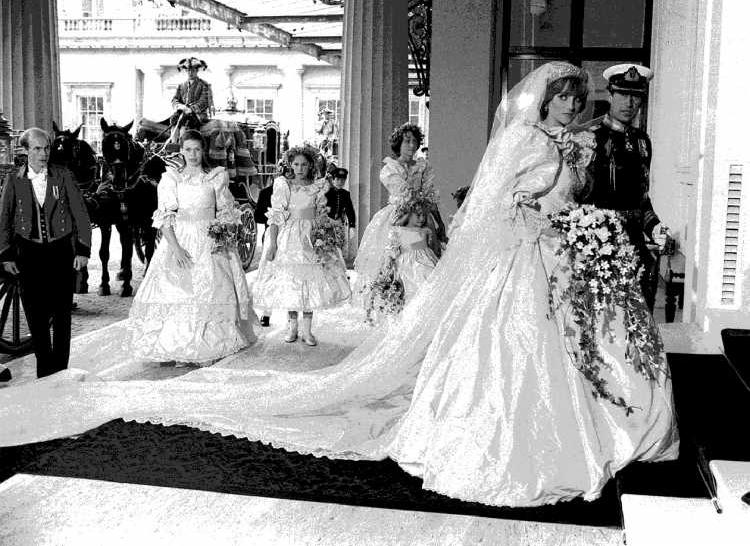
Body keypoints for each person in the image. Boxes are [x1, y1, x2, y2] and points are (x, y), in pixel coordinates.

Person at [0, 63, 678, 511]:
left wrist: (579, 211)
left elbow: (570, 194)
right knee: (508, 351)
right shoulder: (524, 141)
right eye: (563, 100)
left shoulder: (582, 144)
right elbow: (499, 204)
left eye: (575, 103)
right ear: (545, 101)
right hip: (518, 261)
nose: (569, 109)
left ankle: (597, 421)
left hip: (555, 257)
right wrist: (535, 210)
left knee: (572, 347)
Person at [128, 129, 255, 364]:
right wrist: (176, 249)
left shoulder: (216, 176)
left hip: (210, 238)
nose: (193, 154)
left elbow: (226, 212)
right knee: (177, 290)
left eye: (197, 149)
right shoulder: (172, 178)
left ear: (203, 150)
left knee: (211, 289)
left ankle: (206, 344)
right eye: (188, 149)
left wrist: (222, 236)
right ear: (182, 151)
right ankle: (175, 345)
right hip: (182, 238)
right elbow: (165, 217)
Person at [0, 127, 91, 378]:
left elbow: (81, 215)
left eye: (46, 148)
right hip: (27, 255)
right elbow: (3, 220)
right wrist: (6, 255)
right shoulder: (14, 179)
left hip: (60, 253)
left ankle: (61, 371)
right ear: (25, 151)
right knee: (36, 315)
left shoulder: (62, 176)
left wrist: (82, 250)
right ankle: (44, 372)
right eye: (37, 149)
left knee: (62, 315)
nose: (43, 153)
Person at [581, 64, 669, 310]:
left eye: (636, 96)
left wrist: (655, 227)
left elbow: (642, 199)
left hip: (635, 244)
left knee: (639, 318)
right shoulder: (591, 137)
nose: (629, 103)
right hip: (601, 243)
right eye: (622, 94)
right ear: (610, 94)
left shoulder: (643, 142)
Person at [253, 146, 351, 346]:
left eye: (304, 164)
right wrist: (271, 245)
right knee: (292, 280)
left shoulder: (317, 186)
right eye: (296, 164)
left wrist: (325, 236)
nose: (299, 168)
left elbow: (323, 213)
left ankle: (307, 330)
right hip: (290, 236)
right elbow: (276, 217)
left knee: (309, 281)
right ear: (290, 165)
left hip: (311, 236)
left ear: (310, 166)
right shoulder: (284, 185)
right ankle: (292, 326)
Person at [353, 123, 445, 306]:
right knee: (393, 256)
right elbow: (403, 192)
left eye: (415, 141)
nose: (412, 145)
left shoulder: (423, 166)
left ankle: (422, 302)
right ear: (398, 144)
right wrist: (418, 200)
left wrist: (438, 220)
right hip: (399, 215)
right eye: (407, 141)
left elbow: (429, 193)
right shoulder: (390, 168)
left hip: (421, 214)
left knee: (426, 255)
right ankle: (393, 298)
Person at [253, 163, 295, 327]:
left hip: (290, 236)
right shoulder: (266, 193)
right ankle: (266, 312)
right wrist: (275, 220)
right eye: (289, 171)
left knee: (288, 274)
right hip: (272, 234)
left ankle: (289, 313)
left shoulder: (297, 192)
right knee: (269, 273)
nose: (291, 175)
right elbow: (258, 217)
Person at [389, 198, 438, 302]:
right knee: (413, 288)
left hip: (426, 259)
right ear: (409, 215)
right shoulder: (399, 230)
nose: (422, 218)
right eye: (418, 215)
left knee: (429, 281)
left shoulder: (426, 230)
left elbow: (431, 246)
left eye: (424, 215)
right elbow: (393, 247)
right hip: (407, 263)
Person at [169, 57, 213, 142]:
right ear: (186, 71)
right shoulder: (181, 85)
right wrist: (179, 106)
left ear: (197, 71)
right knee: (174, 119)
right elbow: (174, 99)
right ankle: (173, 145)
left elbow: (204, 101)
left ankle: (183, 145)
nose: (190, 73)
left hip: (199, 114)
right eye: (188, 70)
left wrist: (190, 109)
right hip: (182, 112)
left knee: (186, 121)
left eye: (192, 70)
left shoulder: (204, 84)